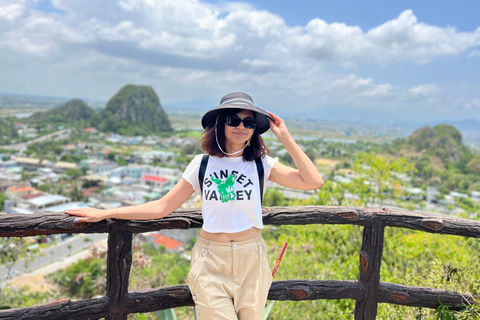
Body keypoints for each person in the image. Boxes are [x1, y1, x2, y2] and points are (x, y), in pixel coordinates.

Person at [66, 92, 323, 320]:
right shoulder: (201, 164)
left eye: (249, 122)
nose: (241, 127)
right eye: (234, 120)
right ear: (221, 124)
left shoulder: (261, 164)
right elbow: (162, 207)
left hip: (251, 259)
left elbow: (313, 181)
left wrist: (285, 137)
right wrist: (106, 213)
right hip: (210, 259)